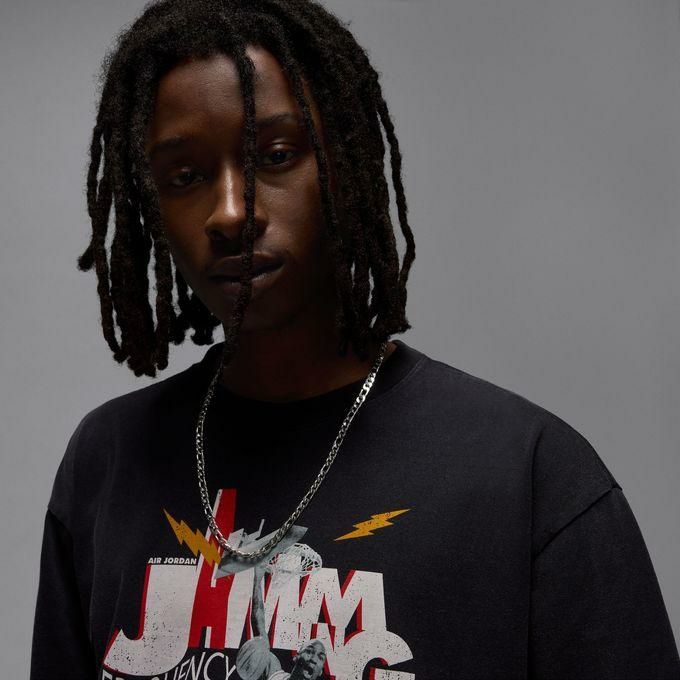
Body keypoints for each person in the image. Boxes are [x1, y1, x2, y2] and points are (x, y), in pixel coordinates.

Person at [29, 1, 680, 679]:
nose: (230, 211)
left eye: (275, 156)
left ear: (346, 165)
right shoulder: (107, 464)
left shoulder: (528, 474)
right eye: (185, 177)